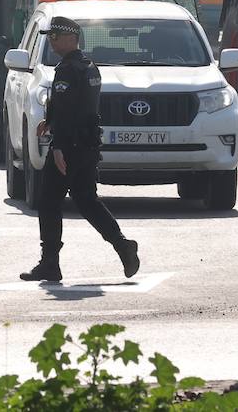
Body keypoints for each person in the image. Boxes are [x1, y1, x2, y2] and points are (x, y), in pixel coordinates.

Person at [20, 16, 140, 283]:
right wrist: (49, 121)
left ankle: (50, 262)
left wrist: (59, 146)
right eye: (49, 37)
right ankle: (122, 245)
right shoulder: (89, 67)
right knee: (86, 201)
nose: (51, 42)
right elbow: (77, 105)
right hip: (86, 144)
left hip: (70, 146)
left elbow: (66, 107)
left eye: (56, 37)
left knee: (49, 201)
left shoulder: (67, 70)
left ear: (72, 38)